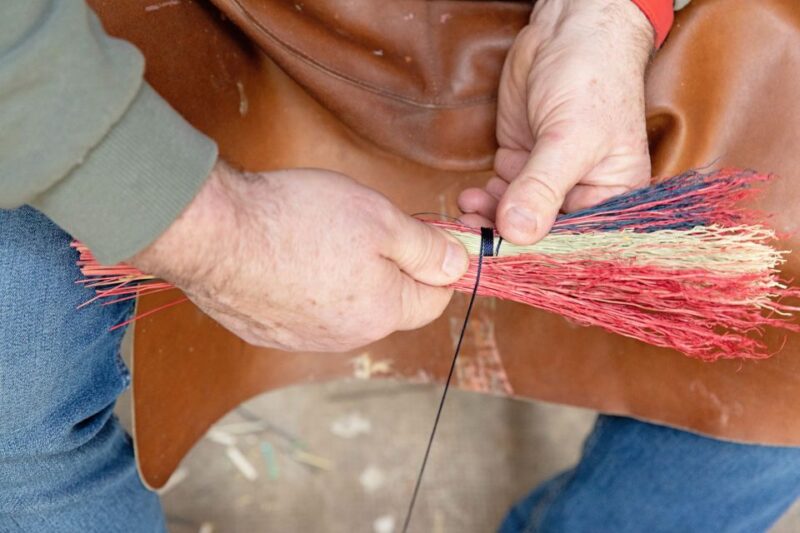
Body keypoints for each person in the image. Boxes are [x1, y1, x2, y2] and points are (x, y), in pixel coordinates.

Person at [3, 0, 800, 531]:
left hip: (552, 36)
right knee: (17, 391)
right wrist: (212, 233)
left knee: (780, 345)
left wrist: (606, 15)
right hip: (85, 48)